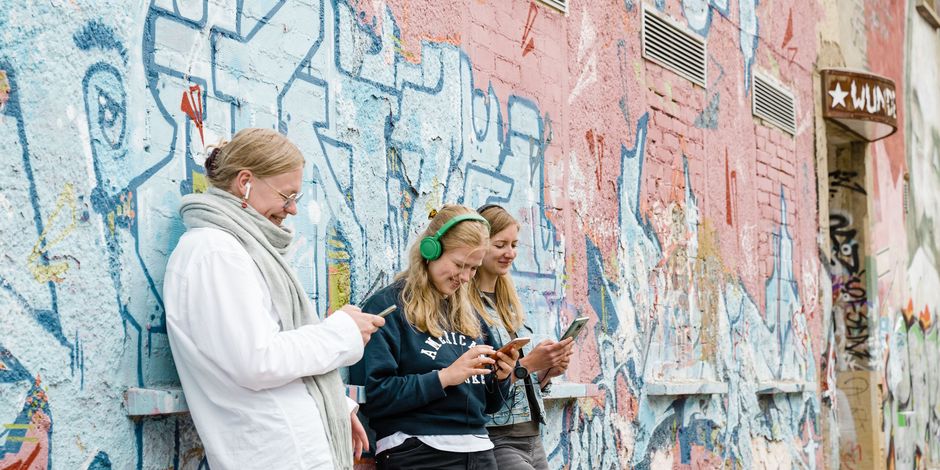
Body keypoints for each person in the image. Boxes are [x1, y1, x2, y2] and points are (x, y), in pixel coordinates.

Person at [163, 128, 385, 469]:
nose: (292, 209)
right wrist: (342, 331)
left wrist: (335, 407)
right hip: (273, 452)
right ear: (245, 182)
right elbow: (257, 359)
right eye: (287, 195)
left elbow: (272, 344)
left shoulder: (240, 248)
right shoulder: (216, 251)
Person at [350, 205, 519, 470]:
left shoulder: (472, 315)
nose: (464, 278)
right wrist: (445, 377)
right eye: (459, 265)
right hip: (418, 451)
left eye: (473, 269)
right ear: (431, 250)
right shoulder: (388, 308)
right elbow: (375, 395)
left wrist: (500, 378)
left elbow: (490, 406)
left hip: (480, 452)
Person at [470, 204, 574, 470]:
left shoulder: (508, 304)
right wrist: (528, 365)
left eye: (514, 244)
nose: (510, 253)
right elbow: (477, 383)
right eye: (500, 244)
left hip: (531, 434)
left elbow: (518, 379)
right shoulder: (467, 308)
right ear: (480, 247)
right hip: (497, 436)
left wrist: (546, 371)